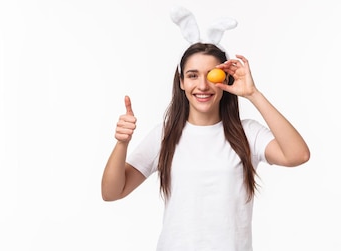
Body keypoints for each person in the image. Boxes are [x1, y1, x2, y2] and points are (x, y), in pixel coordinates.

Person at [100, 42, 310, 250]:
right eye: (192, 75)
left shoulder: (247, 134)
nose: (202, 85)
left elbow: (297, 155)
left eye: (211, 75)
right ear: (181, 81)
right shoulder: (165, 136)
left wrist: (253, 94)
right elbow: (112, 192)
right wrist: (122, 144)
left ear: (225, 79)